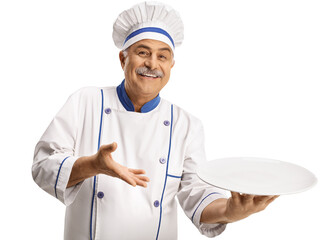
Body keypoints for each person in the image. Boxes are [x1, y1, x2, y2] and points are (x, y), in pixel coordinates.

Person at [32, 2, 278, 239]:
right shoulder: (85, 101)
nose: (152, 64)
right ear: (122, 59)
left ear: (171, 65)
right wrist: (93, 165)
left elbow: (197, 194)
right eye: (143, 52)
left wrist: (230, 211)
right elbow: (43, 165)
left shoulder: (186, 125)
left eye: (162, 56)